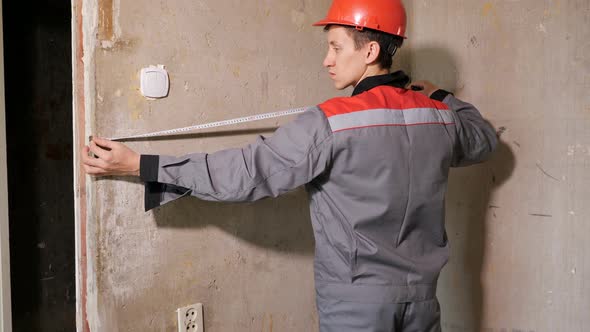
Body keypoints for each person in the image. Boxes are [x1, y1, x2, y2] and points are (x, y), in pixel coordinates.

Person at [82, 0, 498, 331]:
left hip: (357, 308)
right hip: (423, 303)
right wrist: (441, 94)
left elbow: (246, 173)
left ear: (370, 50)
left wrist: (143, 164)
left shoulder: (332, 121)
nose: (327, 60)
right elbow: (484, 139)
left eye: (335, 46)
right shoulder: (440, 118)